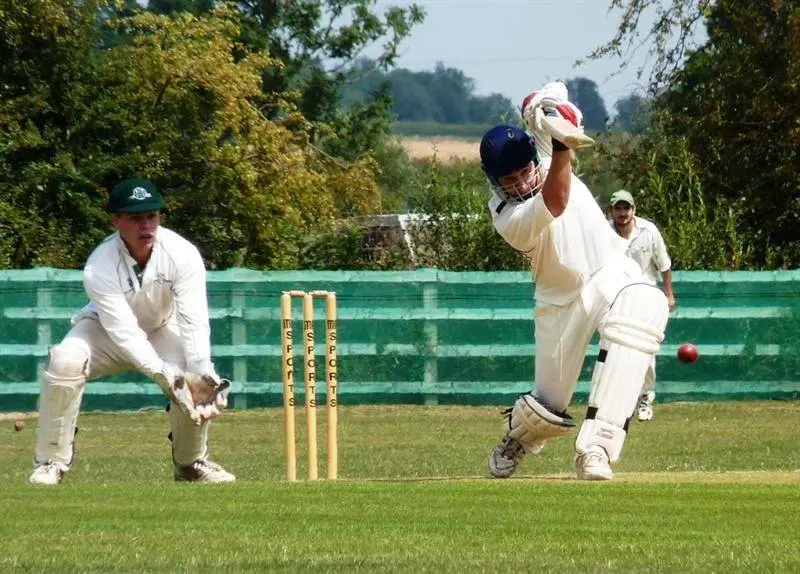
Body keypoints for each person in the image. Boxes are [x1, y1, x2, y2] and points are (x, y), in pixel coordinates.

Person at [482, 82, 670, 481]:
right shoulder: (506, 215)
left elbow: (552, 94)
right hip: (559, 300)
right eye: (508, 179)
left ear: (533, 158)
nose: (518, 183)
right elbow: (556, 199)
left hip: (610, 272)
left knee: (645, 308)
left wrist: (546, 108)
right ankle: (517, 439)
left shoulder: (543, 147)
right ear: (495, 182)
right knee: (547, 407)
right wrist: (564, 141)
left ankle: (597, 450)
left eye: (522, 172)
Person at [28, 178, 234, 485]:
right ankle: (51, 461)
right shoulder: (99, 265)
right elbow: (124, 331)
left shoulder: (182, 253)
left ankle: (191, 463)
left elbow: (193, 319)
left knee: (193, 377)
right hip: (104, 332)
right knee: (65, 359)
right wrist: (162, 374)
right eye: (136, 218)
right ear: (116, 220)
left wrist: (200, 370)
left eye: (151, 216)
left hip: (162, 328)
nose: (146, 225)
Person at [608, 189, 676, 421]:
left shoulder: (649, 231)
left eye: (626, 208)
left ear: (633, 210)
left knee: (646, 350)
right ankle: (617, 401)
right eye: (618, 208)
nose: (622, 212)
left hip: (646, 297)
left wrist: (669, 295)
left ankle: (645, 398)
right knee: (613, 349)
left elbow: (664, 265)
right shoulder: (604, 233)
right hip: (615, 299)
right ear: (612, 211)